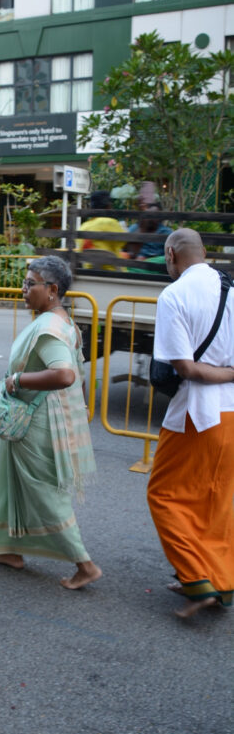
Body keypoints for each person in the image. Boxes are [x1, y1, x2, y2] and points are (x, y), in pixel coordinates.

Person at [0, 255, 101, 589]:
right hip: (43, 417)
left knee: (43, 493)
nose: (23, 289)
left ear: (53, 289)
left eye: (31, 284)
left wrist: (18, 380)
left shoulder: (48, 327)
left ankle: (85, 565)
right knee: (15, 480)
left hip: (38, 421)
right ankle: (9, 550)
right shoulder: (63, 321)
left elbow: (64, 374)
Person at [146, 229, 234, 619]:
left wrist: (229, 374)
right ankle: (219, 578)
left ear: (171, 254)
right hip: (230, 413)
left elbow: (182, 366)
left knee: (163, 494)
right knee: (216, 498)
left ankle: (198, 580)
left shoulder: (175, 294)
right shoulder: (230, 288)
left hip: (197, 414)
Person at [77, 190, 127, 261]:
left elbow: (81, 251)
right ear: (109, 206)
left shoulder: (83, 227)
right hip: (112, 269)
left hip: (89, 270)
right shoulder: (110, 223)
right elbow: (125, 243)